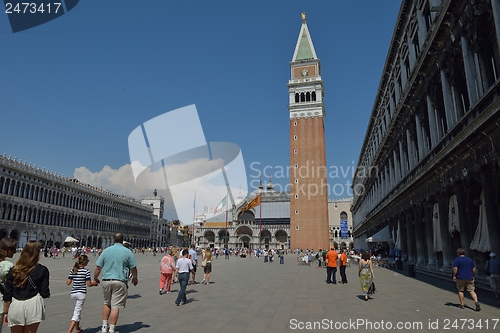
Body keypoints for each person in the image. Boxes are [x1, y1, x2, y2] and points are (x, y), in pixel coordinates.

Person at [94, 233, 138, 333]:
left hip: (106, 280)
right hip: (120, 281)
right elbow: (133, 268)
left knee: (106, 303)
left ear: (114, 239)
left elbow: (98, 267)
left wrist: (95, 278)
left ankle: (104, 327)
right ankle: (112, 329)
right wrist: (135, 278)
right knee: (115, 306)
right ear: (123, 240)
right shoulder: (127, 252)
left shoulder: (106, 250)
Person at [3, 241, 50, 332]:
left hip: (16, 305)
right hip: (33, 304)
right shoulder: (42, 270)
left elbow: (7, 294)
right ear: (37, 253)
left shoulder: (14, 270)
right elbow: (45, 293)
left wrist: (6, 312)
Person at [66, 255, 98, 333]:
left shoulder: (73, 270)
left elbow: (68, 282)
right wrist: (95, 283)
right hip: (81, 293)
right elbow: (89, 284)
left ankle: (77, 329)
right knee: (76, 313)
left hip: (73, 293)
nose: (87, 262)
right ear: (84, 262)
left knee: (76, 311)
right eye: (87, 261)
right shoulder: (86, 271)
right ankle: (69, 331)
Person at [0, 237, 18, 333]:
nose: (14, 252)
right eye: (12, 249)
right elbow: (9, 287)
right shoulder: (8, 265)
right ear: (5, 249)